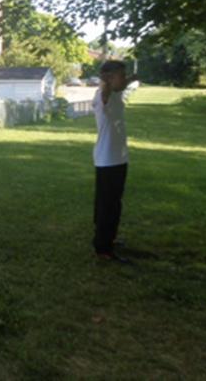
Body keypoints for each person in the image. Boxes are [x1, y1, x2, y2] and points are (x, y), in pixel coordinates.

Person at [92, 60, 136, 263]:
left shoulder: (116, 93)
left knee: (114, 204)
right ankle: (104, 249)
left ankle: (109, 239)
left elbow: (123, 85)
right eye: (121, 75)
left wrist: (129, 79)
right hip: (108, 160)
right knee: (107, 206)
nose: (125, 78)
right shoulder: (104, 96)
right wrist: (107, 82)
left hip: (117, 157)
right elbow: (105, 91)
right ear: (108, 79)